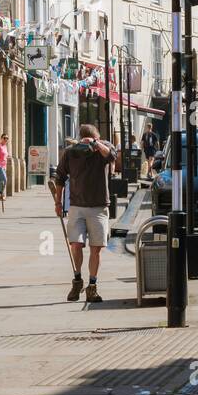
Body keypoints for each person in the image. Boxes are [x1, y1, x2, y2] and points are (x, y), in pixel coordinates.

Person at [50, 124, 116, 303]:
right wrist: (58, 202)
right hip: (77, 206)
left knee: (97, 249)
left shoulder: (104, 148)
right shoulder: (71, 152)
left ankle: (92, 286)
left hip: (99, 206)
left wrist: (96, 144)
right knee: (76, 245)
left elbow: (112, 156)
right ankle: (77, 280)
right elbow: (60, 177)